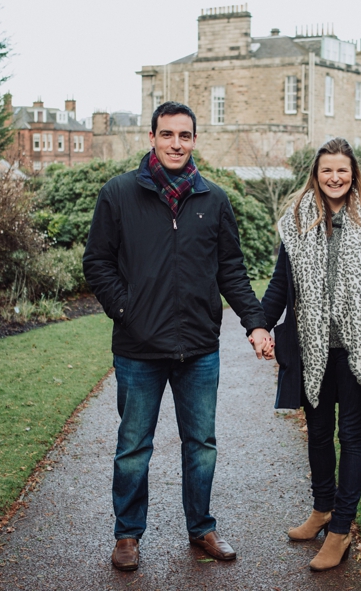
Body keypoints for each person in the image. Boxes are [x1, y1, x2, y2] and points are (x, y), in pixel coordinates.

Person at [82, 102, 274, 574]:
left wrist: (255, 322)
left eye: (184, 136)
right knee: (133, 447)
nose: (175, 143)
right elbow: (97, 263)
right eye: (166, 134)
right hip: (138, 349)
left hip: (199, 348)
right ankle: (127, 536)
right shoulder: (119, 193)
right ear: (151, 137)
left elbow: (231, 270)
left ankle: (201, 528)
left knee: (201, 443)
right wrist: (127, 311)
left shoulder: (214, 199)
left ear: (194, 141)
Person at [256, 137, 361, 573]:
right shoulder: (297, 220)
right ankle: (321, 509)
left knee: (352, 436)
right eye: (327, 171)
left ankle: (340, 528)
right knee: (318, 434)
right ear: (315, 175)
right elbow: (281, 285)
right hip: (313, 347)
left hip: (359, 349)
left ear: (353, 173)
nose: (335, 177)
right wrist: (260, 324)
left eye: (342, 170)